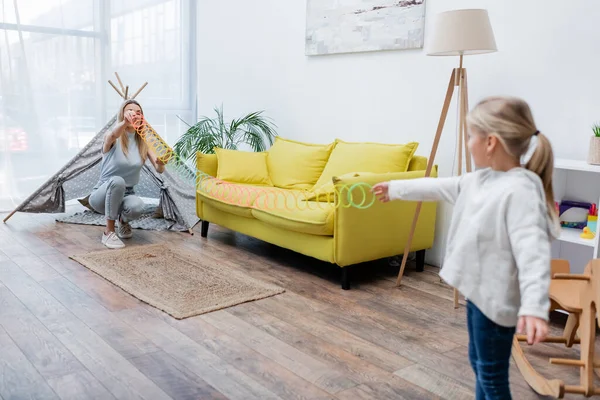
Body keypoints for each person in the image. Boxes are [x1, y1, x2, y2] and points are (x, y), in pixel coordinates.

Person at [373, 96, 559, 399]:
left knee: (491, 373)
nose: (468, 141)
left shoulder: (520, 190)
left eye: (471, 135)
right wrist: (395, 188)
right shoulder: (481, 179)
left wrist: (535, 308)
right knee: (479, 364)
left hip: (498, 302)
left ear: (491, 143)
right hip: (478, 293)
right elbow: (439, 186)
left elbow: (533, 254)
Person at [89, 100, 166, 249]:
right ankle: (108, 232)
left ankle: (123, 222)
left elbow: (159, 169)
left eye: (138, 112)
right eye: (129, 110)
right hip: (103, 194)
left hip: (127, 193)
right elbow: (113, 135)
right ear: (122, 114)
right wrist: (124, 123)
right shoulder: (111, 136)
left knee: (137, 206)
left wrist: (161, 163)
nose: (134, 114)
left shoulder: (143, 142)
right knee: (118, 181)